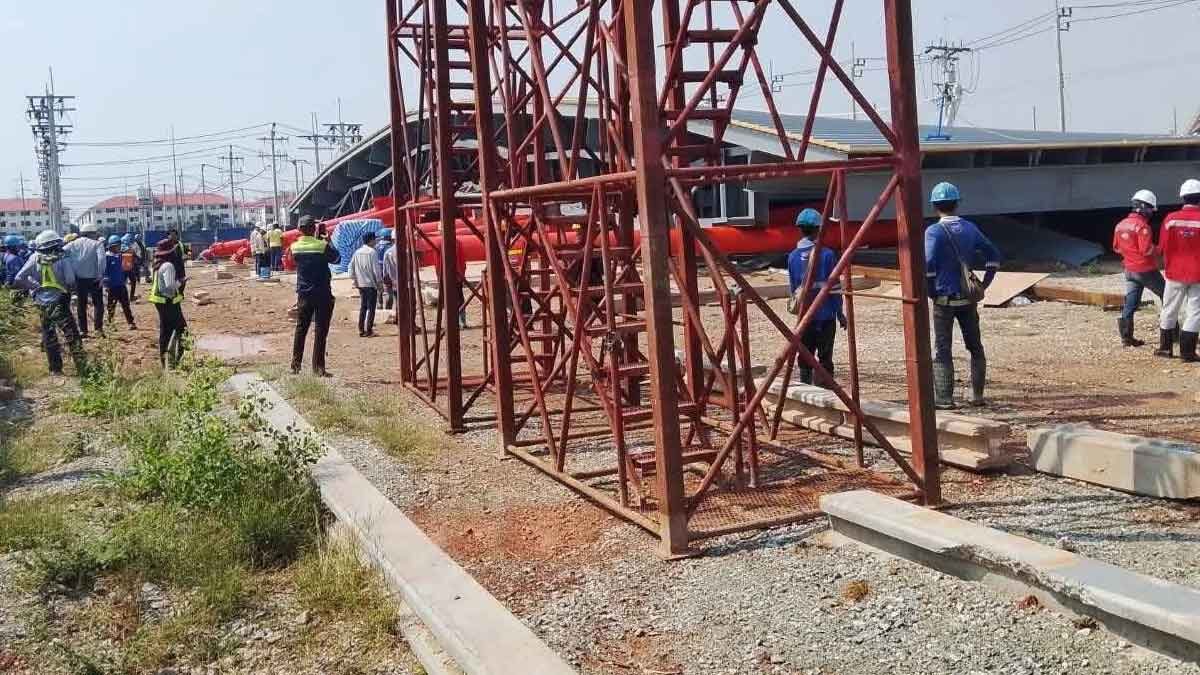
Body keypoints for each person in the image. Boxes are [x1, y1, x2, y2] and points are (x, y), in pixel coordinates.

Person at [924, 182, 1003, 409]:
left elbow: (928, 263)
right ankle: (977, 396)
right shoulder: (970, 228)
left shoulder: (933, 232)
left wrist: (931, 290)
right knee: (975, 346)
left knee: (943, 348)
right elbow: (993, 256)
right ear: (957, 203)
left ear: (934, 206)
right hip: (968, 300)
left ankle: (945, 399)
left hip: (943, 300)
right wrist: (984, 284)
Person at [14, 230, 86, 376]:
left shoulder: (35, 257)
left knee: (49, 334)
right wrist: (71, 290)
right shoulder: (62, 258)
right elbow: (71, 280)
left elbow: (19, 278)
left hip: (42, 302)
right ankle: (81, 366)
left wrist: (35, 287)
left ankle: (55, 369)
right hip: (60, 301)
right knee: (71, 334)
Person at [787, 208, 845, 387]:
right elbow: (834, 289)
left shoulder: (792, 257)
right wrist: (840, 314)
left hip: (805, 317)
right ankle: (826, 392)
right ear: (818, 229)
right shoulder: (827, 255)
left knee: (805, 355)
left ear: (800, 229)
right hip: (826, 316)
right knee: (825, 356)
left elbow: (793, 289)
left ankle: (805, 390)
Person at [1112, 189, 1164, 347]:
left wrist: (1130, 255)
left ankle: (1126, 337)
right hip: (1146, 270)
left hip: (1129, 270)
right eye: (1150, 209)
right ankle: (1171, 334)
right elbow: (1146, 250)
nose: (1151, 213)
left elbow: (1116, 247)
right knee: (1167, 296)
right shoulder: (1142, 227)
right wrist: (1160, 250)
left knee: (1130, 303)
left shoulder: (1120, 225)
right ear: (1144, 208)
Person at [1156, 179, 1200, 361]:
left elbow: (1162, 248)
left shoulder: (1170, 219)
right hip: (1198, 273)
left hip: (1174, 273)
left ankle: (1165, 348)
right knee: (1195, 311)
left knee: (1169, 309)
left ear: (1183, 197)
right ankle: (1188, 352)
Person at [290, 216, 340, 376]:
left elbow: (292, 263)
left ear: (299, 229)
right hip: (322, 293)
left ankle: (295, 366)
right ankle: (318, 369)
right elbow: (337, 259)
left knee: (301, 329)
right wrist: (328, 240)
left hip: (304, 293)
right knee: (320, 331)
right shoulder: (322, 245)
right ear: (314, 229)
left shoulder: (294, 247)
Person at [148, 239, 187, 368]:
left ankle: (165, 361)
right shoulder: (168, 266)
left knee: (165, 332)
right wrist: (181, 282)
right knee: (182, 331)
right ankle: (178, 360)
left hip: (161, 303)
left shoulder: (157, 264)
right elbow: (170, 286)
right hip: (169, 303)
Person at [65, 222, 107, 338]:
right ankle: (98, 329)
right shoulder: (97, 244)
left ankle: (83, 331)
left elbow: (62, 253)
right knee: (98, 304)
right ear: (92, 233)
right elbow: (102, 260)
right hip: (94, 279)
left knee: (81, 305)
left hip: (79, 280)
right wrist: (100, 275)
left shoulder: (72, 244)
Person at [350, 231, 382, 337]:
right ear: (371, 240)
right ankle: (369, 330)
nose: (376, 242)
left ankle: (361, 329)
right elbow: (376, 271)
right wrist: (379, 284)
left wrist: (355, 281)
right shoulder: (372, 252)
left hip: (361, 284)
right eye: (375, 240)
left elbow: (351, 269)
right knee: (371, 308)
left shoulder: (356, 252)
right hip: (370, 284)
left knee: (363, 307)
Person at [103, 235, 138, 331]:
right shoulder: (107, 257)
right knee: (111, 307)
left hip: (121, 285)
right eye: (116, 246)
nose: (118, 247)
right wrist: (106, 285)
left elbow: (128, 267)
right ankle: (111, 324)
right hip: (112, 287)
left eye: (119, 245)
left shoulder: (121, 256)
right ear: (111, 246)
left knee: (126, 305)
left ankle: (131, 322)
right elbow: (104, 272)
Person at [376, 228, 394, 310]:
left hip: (377, 272)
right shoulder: (390, 247)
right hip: (387, 272)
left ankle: (379, 305)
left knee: (379, 290)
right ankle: (388, 309)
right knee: (389, 292)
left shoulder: (376, 246)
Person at [382, 238, 399, 324]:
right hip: (405, 282)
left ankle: (396, 318)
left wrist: (386, 281)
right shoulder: (406, 250)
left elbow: (385, 270)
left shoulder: (388, 252)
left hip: (393, 281)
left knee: (396, 300)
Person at [121, 233, 140, 300]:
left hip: (123, 269)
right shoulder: (130, 249)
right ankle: (131, 297)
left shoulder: (119, 249)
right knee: (133, 281)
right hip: (129, 268)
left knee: (122, 283)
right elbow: (136, 257)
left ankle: (122, 297)